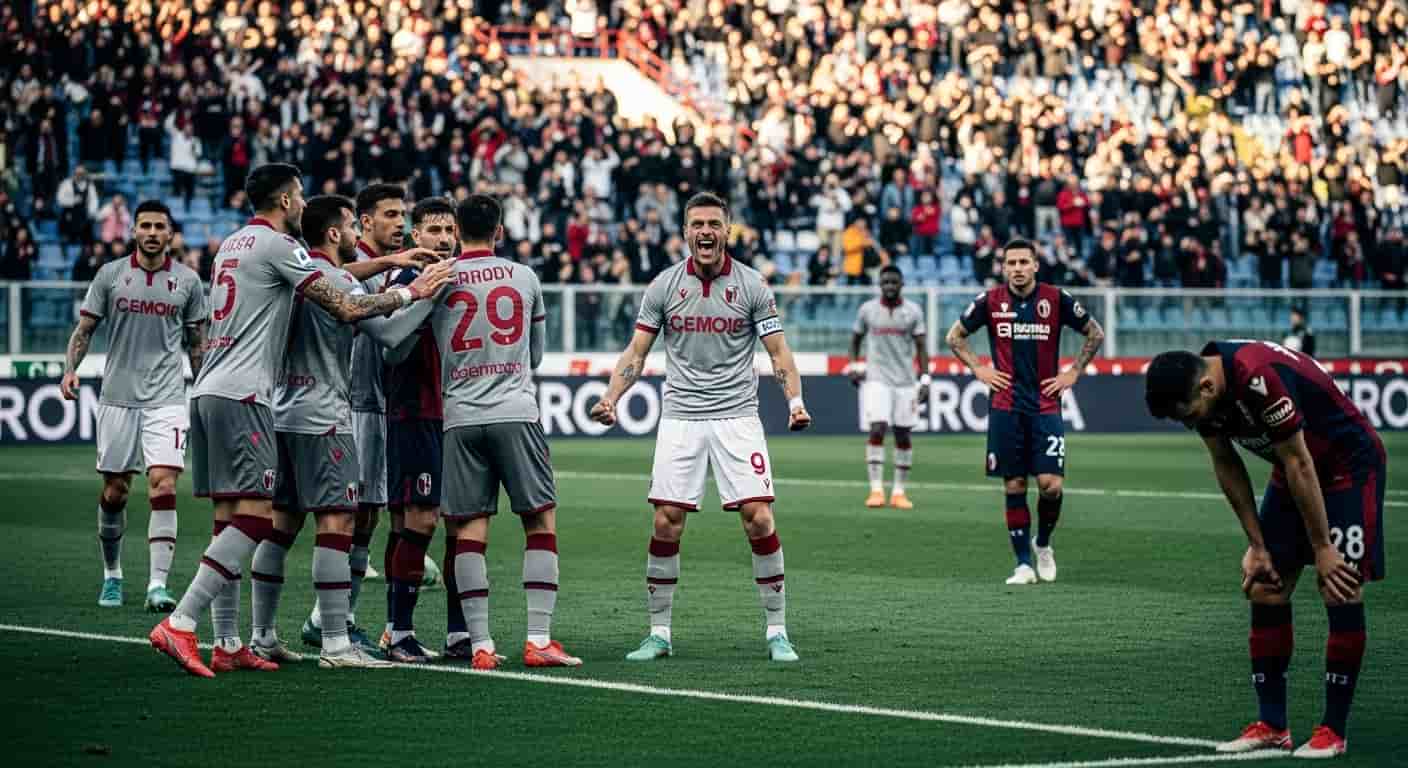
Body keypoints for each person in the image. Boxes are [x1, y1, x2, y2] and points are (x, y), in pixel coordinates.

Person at [146, 163, 453, 678]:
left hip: (230, 395)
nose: (303, 201)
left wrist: (390, 262)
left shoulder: (236, 246)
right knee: (317, 521)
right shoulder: (282, 251)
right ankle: (209, 624)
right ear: (288, 202)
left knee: (250, 520)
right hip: (303, 411)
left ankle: (237, 640)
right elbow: (354, 310)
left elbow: (330, 275)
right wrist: (416, 290)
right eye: (300, 194)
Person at [590, 192, 812, 663]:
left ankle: (777, 630)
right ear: (685, 232)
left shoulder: (752, 285)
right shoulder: (664, 286)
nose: (706, 232)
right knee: (666, 522)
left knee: (759, 518)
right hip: (681, 418)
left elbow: (779, 353)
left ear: (727, 231)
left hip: (737, 416)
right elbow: (636, 353)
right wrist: (611, 397)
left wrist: (794, 400)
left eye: (714, 223)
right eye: (697, 224)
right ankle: (659, 633)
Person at [1144, 341, 1385, 759]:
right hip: (1293, 468)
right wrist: (1257, 545)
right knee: (1264, 585)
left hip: (1346, 464)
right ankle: (1273, 725)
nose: (1191, 425)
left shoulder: (1256, 376)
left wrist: (1324, 547)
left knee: (1339, 585)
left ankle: (1334, 729)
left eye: (1188, 416)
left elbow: (1300, 462)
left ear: (1205, 387)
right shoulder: (1204, 392)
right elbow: (1227, 463)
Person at [381, 193, 583, 670]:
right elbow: (535, 356)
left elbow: (392, 343)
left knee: (469, 530)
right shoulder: (524, 276)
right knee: (539, 522)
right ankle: (538, 639)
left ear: (457, 231)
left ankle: (480, 645)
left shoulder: (441, 279)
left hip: (460, 417)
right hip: (515, 410)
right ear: (499, 231)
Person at [249, 194, 438, 667]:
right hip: (327, 415)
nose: (357, 235)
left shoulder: (294, 276)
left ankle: (262, 636)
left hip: (284, 412)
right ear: (335, 233)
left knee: (282, 526)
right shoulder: (334, 281)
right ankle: (335, 640)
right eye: (353, 226)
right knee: (338, 524)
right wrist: (423, 292)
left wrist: (393, 261)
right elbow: (390, 335)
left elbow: (342, 277)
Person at [60, 200, 207, 613]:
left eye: (160, 226)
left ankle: (157, 586)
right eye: (145, 225)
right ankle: (113, 575)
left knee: (163, 483)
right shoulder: (110, 276)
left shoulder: (188, 282)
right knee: (115, 492)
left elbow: (198, 342)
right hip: (118, 398)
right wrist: (70, 369)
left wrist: (206, 384)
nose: (153, 232)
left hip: (167, 397)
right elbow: (85, 329)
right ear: (134, 231)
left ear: (171, 234)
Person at [945, 238, 1105, 585]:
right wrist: (978, 368)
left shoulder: (1056, 299)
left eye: (1023, 262)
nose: (1017, 268)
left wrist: (1074, 371)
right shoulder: (989, 301)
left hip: (1045, 405)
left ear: (1035, 265)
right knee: (1014, 484)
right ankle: (1022, 565)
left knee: (1051, 486)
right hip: (1005, 406)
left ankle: (1043, 544)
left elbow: (1094, 333)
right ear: (1004, 267)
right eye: (1011, 263)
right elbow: (954, 337)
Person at [377, 197, 459, 662]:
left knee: (452, 522)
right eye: (434, 230)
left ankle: (454, 633)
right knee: (419, 520)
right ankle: (400, 631)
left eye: (449, 230)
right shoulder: (407, 280)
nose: (444, 239)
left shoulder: (453, 277)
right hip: (414, 411)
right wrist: (428, 297)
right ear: (415, 237)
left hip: (450, 412)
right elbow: (390, 348)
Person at [846, 265, 930, 509]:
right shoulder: (868, 310)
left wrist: (925, 379)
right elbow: (855, 340)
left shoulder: (913, 311)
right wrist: (853, 365)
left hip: (905, 381)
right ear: (880, 285)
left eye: (894, 282)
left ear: (902, 284)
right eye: (886, 283)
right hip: (877, 379)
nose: (890, 286)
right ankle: (876, 490)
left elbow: (922, 348)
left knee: (903, 433)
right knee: (877, 428)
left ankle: (899, 492)